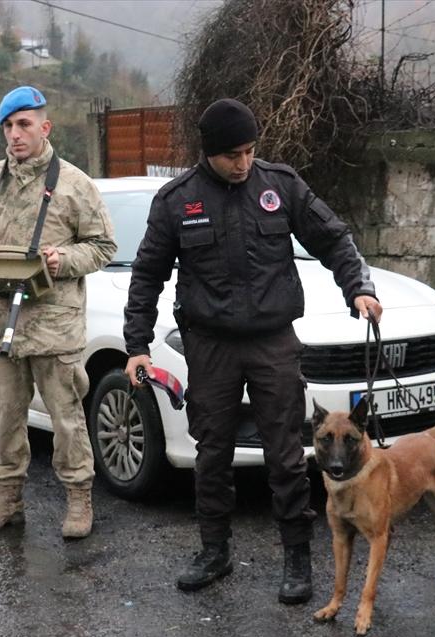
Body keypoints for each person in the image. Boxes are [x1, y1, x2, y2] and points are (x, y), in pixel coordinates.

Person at [123, 98, 383, 603]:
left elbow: (333, 239)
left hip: (272, 343)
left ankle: (297, 558)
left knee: (285, 455)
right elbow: (147, 276)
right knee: (212, 453)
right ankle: (214, 552)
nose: (243, 163)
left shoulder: (279, 185)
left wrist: (359, 287)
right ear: (209, 153)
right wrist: (137, 346)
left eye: (249, 151)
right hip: (211, 346)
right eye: (232, 155)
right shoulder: (177, 200)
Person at [0, 86, 117, 539]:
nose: (15, 134)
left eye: (24, 124)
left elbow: (104, 246)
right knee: (6, 416)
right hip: (0, 323)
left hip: (54, 323)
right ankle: (7, 497)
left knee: (66, 418)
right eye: (8, 126)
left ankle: (78, 498)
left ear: (45, 127)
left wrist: (60, 261)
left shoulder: (73, 183)